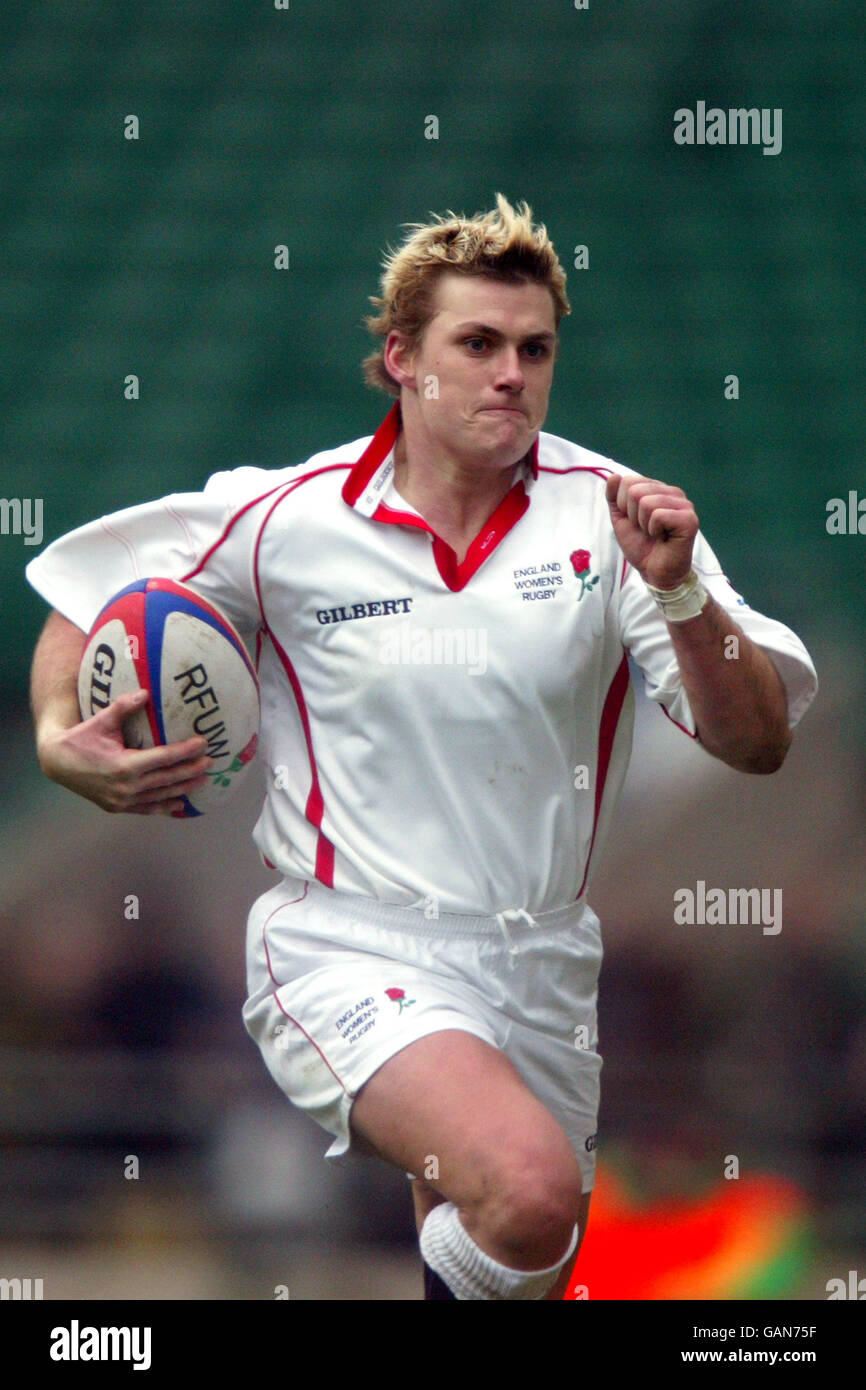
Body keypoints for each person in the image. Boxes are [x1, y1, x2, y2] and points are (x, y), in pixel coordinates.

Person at [27, 195, 818, 1300]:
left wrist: (678, 589)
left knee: (524, 1251)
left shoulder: (613, 519)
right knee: (529, 1190)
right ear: (401, 358)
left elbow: (757, 743)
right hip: (348, 943)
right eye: (478, 344)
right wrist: (62, 739)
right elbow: (83, 595)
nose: (510, 373)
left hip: (542, 959)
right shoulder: (284, 519)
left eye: (533, 348)